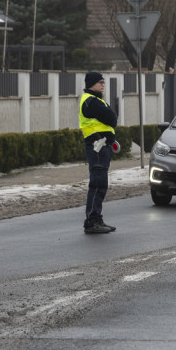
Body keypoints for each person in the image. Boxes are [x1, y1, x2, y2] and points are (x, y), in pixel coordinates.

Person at [79, 71, 119, 234]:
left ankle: (96, 218)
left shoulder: (96, 100)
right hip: (97, 147)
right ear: (91, 84)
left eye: (103, 82)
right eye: (100, 82)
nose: (103, 85)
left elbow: (111, 118)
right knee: (97, 184)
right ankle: (92, 221)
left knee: (100, 183)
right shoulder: (92, 102)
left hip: (101, 146)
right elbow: (112, 118)